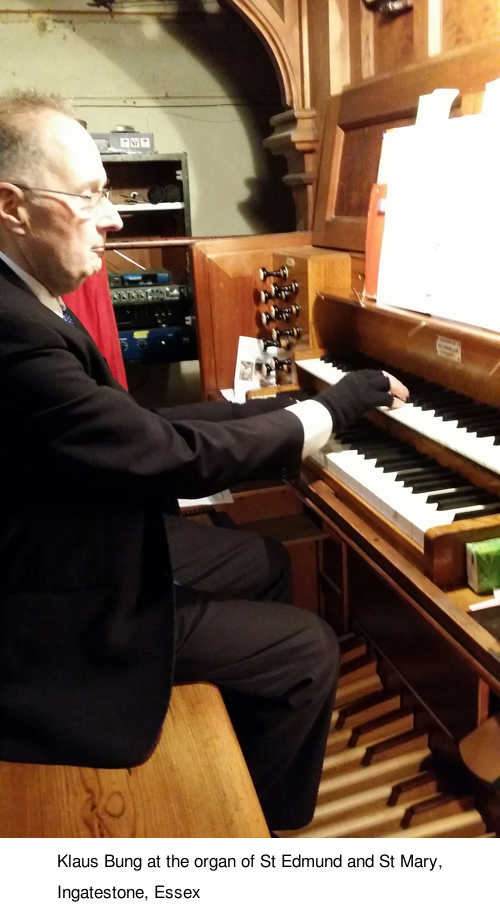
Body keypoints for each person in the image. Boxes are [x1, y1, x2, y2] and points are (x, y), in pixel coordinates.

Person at [0, 92, 409, 832]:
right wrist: (327, 412)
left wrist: (278, 406)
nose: (115, 217)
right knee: (309, 647)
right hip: (59, 609)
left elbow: (138, 426)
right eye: (90, 196)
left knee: (261, 561)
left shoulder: (25, 297)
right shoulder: (13, 328)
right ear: (14, 206)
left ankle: (253, 743)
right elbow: (164, 454)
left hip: (80, 542)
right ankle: (262, 832)